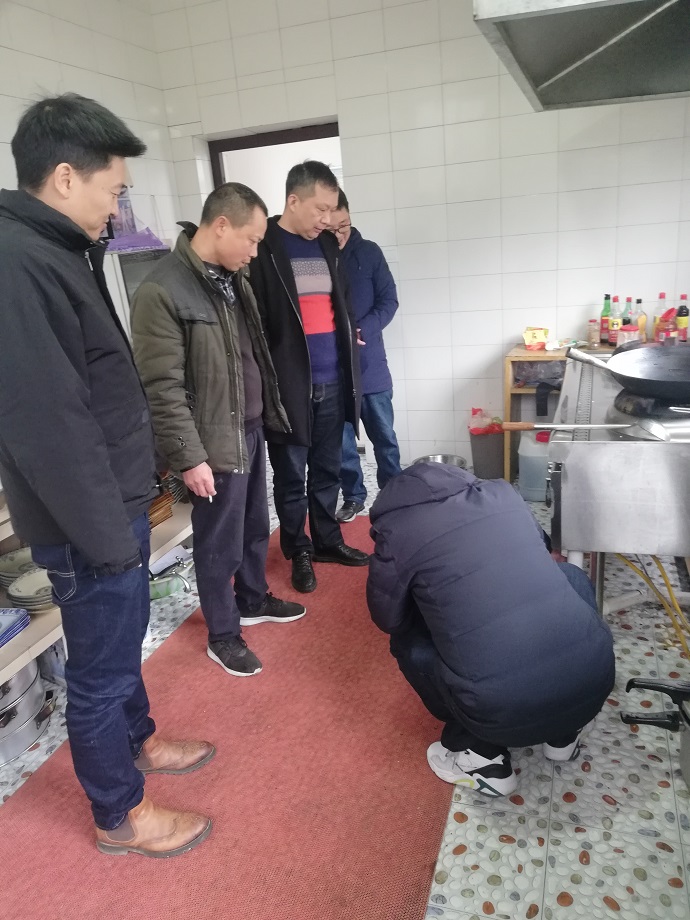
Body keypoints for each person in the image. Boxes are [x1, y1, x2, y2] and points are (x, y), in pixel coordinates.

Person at [0, 94, 213, 857]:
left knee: (120, 651)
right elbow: (47, 425)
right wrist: (109, 541)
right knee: (98, 673)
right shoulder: (18, 261)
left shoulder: (57, 249)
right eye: (113, 190)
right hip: (87, 523)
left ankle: (139, 743)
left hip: (110, 508)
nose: (118, 207)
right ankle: (119, 815)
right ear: (65, 176)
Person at [131, 183, 305, 679]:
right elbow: (160, 387)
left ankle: (252, 599)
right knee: (218, 542)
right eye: (252, 240)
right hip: (210, 441)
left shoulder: (233, 278)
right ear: (222, 225)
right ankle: (223, 634)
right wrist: (189, 458)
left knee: (254, 526)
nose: (254, 251)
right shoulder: (162, 289)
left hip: (248, 427)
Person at [366, 461, 615, 797]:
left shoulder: (398, 529)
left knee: (409, 641)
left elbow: (388, 619)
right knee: (570, 576)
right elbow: (541, 547)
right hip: (594, 687)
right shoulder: (504, 493)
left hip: (501, 714)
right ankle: (564, 735)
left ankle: (482, 757)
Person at [249, 161, 369, 594]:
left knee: (327, 469)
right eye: (321, 209)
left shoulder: (328, 246)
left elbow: (342, 305)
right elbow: (256, 323)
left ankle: (327, 541)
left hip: (333, 379)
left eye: (332, 210)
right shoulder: (263, 248)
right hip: (289, 387)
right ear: (293, 200)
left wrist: (350, 336)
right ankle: (298, 549)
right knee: (290, 476)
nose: (327, 219)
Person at [330, 191, 402, 523]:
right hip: (334, 370)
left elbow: (389, 300)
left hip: (371, 366)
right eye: (331, 228)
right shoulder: (319, 257)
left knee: (384, 437)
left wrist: (365, 328)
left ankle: (394, 496)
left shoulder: (369, 252)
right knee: (343, 443)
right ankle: (354, 497)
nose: (338, 234)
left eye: (343, 225)